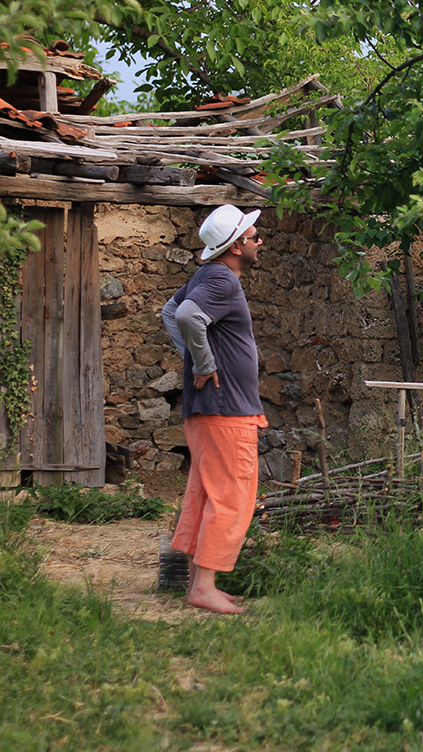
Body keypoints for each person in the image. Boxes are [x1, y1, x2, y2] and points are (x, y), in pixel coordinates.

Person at [162, 204, 266, 614]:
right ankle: (204, 587)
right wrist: (203, 364)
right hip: (225, 411)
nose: (261, 241)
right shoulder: (222, 278)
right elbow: (185, 315)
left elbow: (171, 312)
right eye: (255, 236)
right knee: (233, 495)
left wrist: (193, 357)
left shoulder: (207, 275)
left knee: (205, 495)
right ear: (238, 245)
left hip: (214, 409)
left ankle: (197, 586)